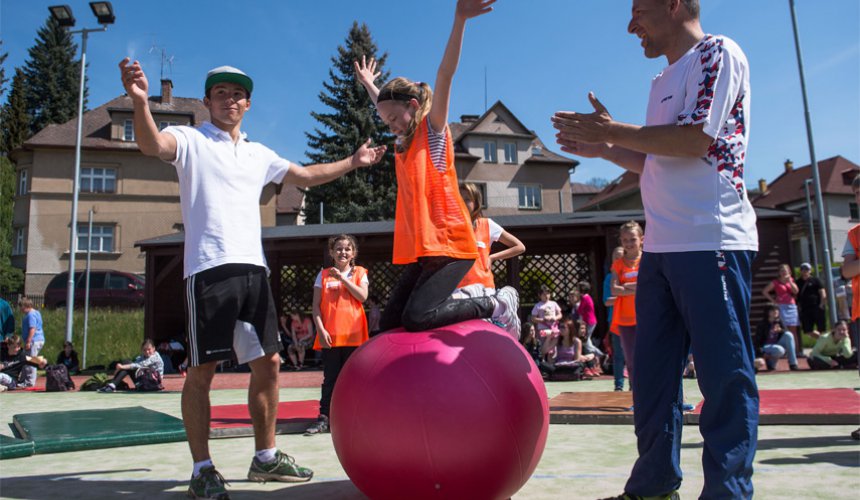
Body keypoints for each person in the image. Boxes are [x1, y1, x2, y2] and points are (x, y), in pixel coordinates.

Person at [119, 57, 385, 498]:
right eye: (221, 93)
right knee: (201, 371)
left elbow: (305, 175)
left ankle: (265, 458)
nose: (231, 99)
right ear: (207, 102)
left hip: (253, 272)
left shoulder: (259, 154)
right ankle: (202, 469)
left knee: (271, 364)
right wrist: (140, 102)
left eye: (238, 94)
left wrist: (353, 162)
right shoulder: (190, 139)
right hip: (208, 270)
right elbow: (152, 145)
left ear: (248, 104)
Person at [553, 1, 760, 497]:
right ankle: (654, 485)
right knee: (651, 380)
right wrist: (604, 148)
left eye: (639, 10)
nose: (631, 26)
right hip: (663, 249)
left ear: (673, 4)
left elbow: (694, 141)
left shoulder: (718, 53)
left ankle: (728, 492)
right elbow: (657, 161)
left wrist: (613, 132)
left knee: (725, 378)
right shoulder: (662, 80)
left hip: (712, 239)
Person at [354, 0, 521, 340]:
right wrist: (371, 85)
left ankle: (494, 304)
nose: (390, 126)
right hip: (426, 248)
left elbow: (445, 73)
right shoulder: (404, 136)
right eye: (384, 121)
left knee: (418, 317)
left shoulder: (432, 131)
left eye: (393, 118)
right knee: (390, 324)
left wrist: (460, 20)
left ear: (413, 106)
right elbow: (386, 104)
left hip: (452, 245)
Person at [305, 235, 370, 435]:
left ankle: (355, 417)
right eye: (338, 249)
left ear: (353, 253)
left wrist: (342, 278)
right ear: (331, 253)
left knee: (354, 380)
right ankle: (324, 417)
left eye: (347, 249)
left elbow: (362, 296)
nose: (343, 252)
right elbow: (316, 307)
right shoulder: (322, 275)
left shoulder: (359, 272)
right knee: (330, 379)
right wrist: (321, 329)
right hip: (330, 337)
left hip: (355, 335)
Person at [451, 183, 525, 309]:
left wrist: (492, 257)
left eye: (467, 199)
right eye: (460, 199)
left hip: (484, 290)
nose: (463, 203)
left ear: (476, 203)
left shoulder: (487, 224)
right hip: (457, 291)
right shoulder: (451, 226)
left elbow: (519, 247)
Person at [610, 221, 642, 392]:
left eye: (632, 239)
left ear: (641, 239)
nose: (629, 244)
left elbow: (650, 286)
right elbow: (614, 289)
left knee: (651, 357)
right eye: (625, 240)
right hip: (625, 318)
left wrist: (626, 287)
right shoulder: (618, 264)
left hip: (646, 316)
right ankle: (636, 393)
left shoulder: (648, 259)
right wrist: (636, 287)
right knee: (630, 360)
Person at [762, 264, 801, 358]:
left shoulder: (790, 280)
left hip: (791, 306)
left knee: (793, 330)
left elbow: (796, 291)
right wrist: (773, 301)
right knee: (784, 329)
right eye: (782, 270)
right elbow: (765, 291)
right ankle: (785, 351)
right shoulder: (775, 282)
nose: (784, 272)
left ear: (789, 272)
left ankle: (796, 352)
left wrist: (789, 282)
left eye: (786, 270)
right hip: (781, 306)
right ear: (779, 272)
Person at [98, 338, 165, 392]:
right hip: (144, 382)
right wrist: (121, 368)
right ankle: (112, 385)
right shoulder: (143, 356)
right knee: (126, 362)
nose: (147, 352)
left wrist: (121, 367)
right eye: (144, 350)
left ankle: (112, 385)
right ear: (142, 350)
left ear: (154, 349)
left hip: (153, 383)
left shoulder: (155, 357)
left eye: (149, 349)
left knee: (127, 364)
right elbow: (133, 364)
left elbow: (138, 365)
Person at [604, 246, 627, 391]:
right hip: (615, 321)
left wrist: (619, 294)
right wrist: (626, 293)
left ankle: (635, 386)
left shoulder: (630, 274)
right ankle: (618, 385)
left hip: (633, 319)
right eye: (615, 257)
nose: (618, 259)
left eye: (621, 256)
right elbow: (607, 300)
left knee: (634, 356)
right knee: (618, 355)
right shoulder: (609, 278)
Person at [753, 305, 799, 371]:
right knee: (780, 349)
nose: (775, 311)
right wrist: (762, 353)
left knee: (789, 335)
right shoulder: (762, 324)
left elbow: (786, 333)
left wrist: (781, 330)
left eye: (777, 310)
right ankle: (770, 362)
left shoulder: (779, 322)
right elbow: (757, 341)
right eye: (773, 310)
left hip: (776, 346)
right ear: (767, 312)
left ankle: (793, 363)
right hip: (765, 347)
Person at [531, 284, 564, 362]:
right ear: (540, 295)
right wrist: (543, 320)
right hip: (543, 329)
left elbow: (560, 314)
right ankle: (542, 364)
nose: (546, 296)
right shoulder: (537, 305)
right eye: (544, 294)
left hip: (553, 329)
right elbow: (533, 318)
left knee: (552, 347)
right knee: (543, 346)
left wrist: (555, 318)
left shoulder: (554, 303)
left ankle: (551, 364)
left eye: (548, 294)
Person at [18, 297, 44, 388]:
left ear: (25, 306)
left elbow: (32, 328)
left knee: (31, 361)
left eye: (21, 307)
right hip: (38, 339)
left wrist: (28, 341)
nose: (20, 309)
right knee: (28, 360)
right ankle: (24, 380)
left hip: (34, 341)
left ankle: (29, 382)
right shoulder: (37, 313)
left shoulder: (30, 315)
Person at [795, 262, 826, 341]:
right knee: (807, 330)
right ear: (800, 271)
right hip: (805, 309)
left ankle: (823, 342)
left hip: (816, 306)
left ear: (810, 271)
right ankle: (823, 340)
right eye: (803, 269)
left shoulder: (816, 280)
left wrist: (822, 304)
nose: (805, 271)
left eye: (807, 269)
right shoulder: (797, 282)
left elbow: (822, 292)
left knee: (821, 328)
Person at [576, 281, 602, 356]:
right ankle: (596, 355)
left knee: (586, 340)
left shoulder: (584, 298)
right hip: (590, 321)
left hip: (589, 321)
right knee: (587, 340)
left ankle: (600, 354)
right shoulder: (587, 297)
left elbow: (580, 309)